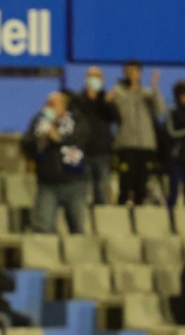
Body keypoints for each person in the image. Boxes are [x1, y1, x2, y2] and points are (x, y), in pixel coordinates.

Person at [22, 92, 89, 234]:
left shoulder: (77, 121)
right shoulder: (38, 122)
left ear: (63, 106)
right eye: (47, 103)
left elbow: (79, 139)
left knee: (77, 229)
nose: (48, 107)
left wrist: (56, 136)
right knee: (43, 228)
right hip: (48, 183)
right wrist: (38, 138)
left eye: (52, 104)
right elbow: (25, 144)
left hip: (74, 183)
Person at [110, 60, 166, 205]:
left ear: (140, 73)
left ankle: (139, 221)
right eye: (128, 72)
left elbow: (160, 110)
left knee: (142, 185)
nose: (132, 75)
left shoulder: (147, 94)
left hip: (145, 145)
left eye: (134, 71)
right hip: (126, 144)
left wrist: (155, 87)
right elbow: (110, 113)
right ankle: (121, 219)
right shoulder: (119, 93)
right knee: (125, 184)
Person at [73, 66, 120, 205]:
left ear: (102, 80)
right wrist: (90, 97)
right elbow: (75, 117)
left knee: (102, 189)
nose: (94, 79)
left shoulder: (106, 99)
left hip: (102, 151)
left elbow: (116, 119)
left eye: (97, 77)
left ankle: (102, 220)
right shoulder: (78, 99)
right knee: (83, 189)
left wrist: (106, 102)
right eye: (91, 76)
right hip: (83, 149)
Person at [166, 81, 185, 207]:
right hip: (177, 156)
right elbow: (171, 132)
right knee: (173, 189)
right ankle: (169, 220)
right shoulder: (173, 111)